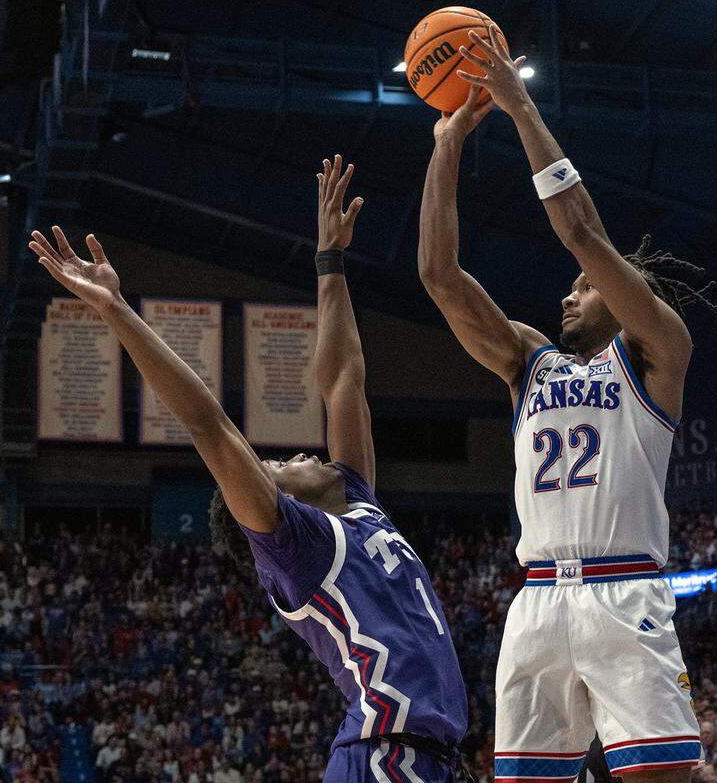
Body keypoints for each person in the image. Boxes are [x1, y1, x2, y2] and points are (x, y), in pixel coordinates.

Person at [27, 155, 469, 782]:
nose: (295, 454)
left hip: (423, 756)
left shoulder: (358, 499)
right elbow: (210, 425)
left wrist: (330, 262)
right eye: (279, 466)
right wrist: (117, 311)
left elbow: (344, 380)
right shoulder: (298, 548)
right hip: (383, 757)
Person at [417, 22, 715, 783]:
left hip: (625, 593)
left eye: (585, 288)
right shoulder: (528, 363)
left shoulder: (656, 352)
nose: (568, 293)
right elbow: (439, 277)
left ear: (623, 295)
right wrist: (444, 151)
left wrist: (521, 110)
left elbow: (582, 232)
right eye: (573, 287)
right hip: (540, 600)